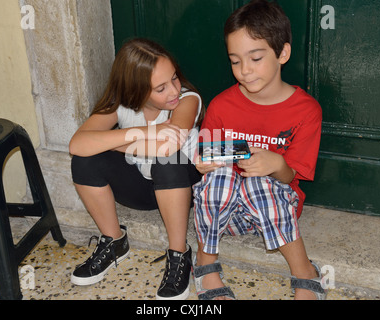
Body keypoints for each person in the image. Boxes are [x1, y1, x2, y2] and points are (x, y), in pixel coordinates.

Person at [192, 0, 325, 300]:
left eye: (255, 58)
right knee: (221, 178)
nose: (245, 70)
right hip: (227, 216)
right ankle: (205, 264)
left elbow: (293, 175)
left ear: (283, 53)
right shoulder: (222, 105)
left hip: (275, 210)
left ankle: (304, 271)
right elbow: (204, 156)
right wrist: (207, 160)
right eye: (235, 61)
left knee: (259, 182)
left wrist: (275, 163)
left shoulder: (306, 110)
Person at [69, 38, 204, 300]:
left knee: (167, 160)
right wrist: (143, 132)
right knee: (84, 160)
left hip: (179, 188)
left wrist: (112, 142)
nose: (174, 91)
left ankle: (179, 254)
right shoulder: (121, 105)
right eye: (161, 88)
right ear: (136, 90)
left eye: (174, 78)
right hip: (141, 189)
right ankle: (114, 241)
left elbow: (166, 148)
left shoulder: (189, 100)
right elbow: (77, 144)